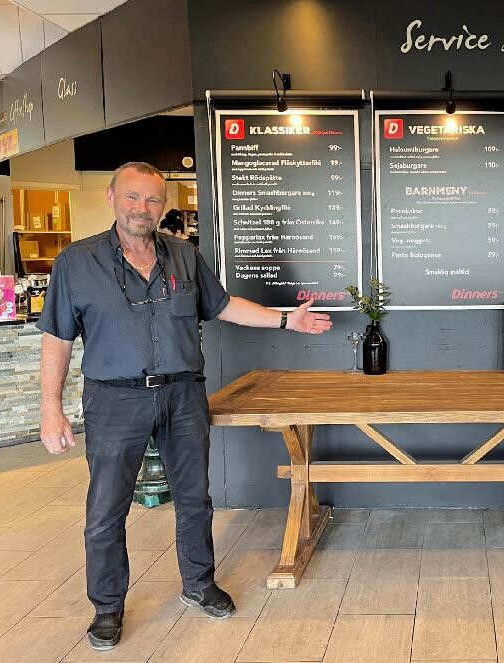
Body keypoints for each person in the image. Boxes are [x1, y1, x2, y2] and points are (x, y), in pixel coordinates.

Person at [37, 162, 332, 651]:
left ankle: (199, 583)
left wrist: (286, 321)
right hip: (114, 399)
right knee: (106, 511)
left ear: (163, 206)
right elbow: (57, 338)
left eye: (153, 200)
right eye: (133, 197)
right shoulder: (76, 262)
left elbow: (223, 306)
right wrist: (51, 407)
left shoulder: (185, 256)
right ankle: (107, 608)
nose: (143, 208)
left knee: (195, 499)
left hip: (182, 394)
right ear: (112, 198)